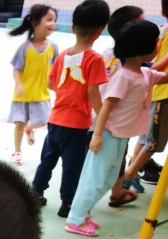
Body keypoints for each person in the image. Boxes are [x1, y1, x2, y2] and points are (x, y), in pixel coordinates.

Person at [65, 19, 168, 236]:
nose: (159, 45)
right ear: (143, 48)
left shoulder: (144, 73)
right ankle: (75, 219)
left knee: (109, 178)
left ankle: (81, 214)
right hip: (108, 135)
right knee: (95, 178)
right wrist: (97, 135)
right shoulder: (123, 77)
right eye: (156, 42)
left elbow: (167, 77)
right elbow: (107, 106)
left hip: (121, 136)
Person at [31, 0, 110, 217]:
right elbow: (93, 92)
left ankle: (35, 193)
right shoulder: (95, 59)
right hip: (76, 124)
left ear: (73, 28)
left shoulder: (62, 55)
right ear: (101, 30)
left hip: (55, 119)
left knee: (47, 160)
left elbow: (50, 84)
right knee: (72, 166)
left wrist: (66, 91)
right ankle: (67, 203)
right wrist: (103, 116)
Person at [122, 0, 168, 188]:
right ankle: (129, 175)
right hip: (162, 92)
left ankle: (132, 173)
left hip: (154, 90)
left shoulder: (164, 28)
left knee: (145, 138)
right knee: (153, 142)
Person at [99, 4, 145, 207]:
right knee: (113, 158)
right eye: (142, 23)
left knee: (115, 157)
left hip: (102, 118)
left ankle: (117, 193)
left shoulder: (107, 53)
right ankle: (113, 194)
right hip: (113, 121)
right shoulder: (126, 63)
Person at [8, 4, 59, 166]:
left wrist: (56, 85)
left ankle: (30, 129)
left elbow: (56, 69)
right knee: (19, 124)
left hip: (42, 93)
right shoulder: (25, 47)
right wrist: (18, 84)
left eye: (54, 20)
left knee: (44, 118)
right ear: (35, 22)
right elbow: (17, 69)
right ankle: (17, 151)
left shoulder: (53, 47)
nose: (52, 23)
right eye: (48, 20)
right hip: (22, 94)